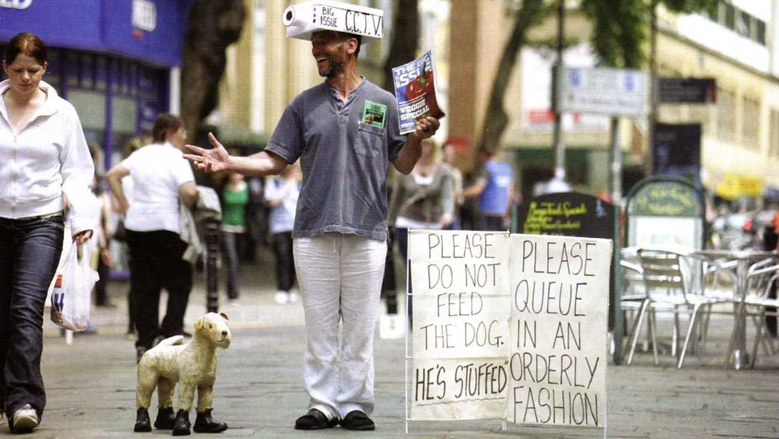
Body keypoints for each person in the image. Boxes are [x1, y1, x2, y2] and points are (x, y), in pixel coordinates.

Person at [184, 23, 440, 430]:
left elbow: (404, 163)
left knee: (359, 327)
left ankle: (354, 404)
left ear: (350, 46)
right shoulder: (304, 105)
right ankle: (322, 403)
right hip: (312, 231)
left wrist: (419, 138)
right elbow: (274, 159)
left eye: (323, 42)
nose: (315, 49)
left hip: (367, 230)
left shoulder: (385, 103)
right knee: (319, 326)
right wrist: (230, 162)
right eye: (313, 42)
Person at [0, 32, 95, 434]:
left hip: (42, 220)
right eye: (18, 70)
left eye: (33, 70)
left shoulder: (63, 113)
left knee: (24, 308)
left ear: (45, 69)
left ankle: (23, 400)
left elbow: (77, 170)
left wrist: (83, 218)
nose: (26, 78)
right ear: (6, 67)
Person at [106, 114, 199, 363]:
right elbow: (189, 191)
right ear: (170, 132)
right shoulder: (176, 157)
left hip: (137, 227)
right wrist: (192, 201)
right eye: (182, 131)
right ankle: (170, 336)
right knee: (180, 283)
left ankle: (144, 342)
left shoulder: (141, 154)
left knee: (145, 287)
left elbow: (112, 175)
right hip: (167, 226)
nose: (185, 136)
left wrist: (126, 205)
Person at [263, 164, 301, 304]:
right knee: (282, 258)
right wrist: (288, 184)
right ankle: (282, 288)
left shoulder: (299, 185)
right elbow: (272, 201)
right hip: (279, 227)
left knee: (294, 260)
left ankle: (290, 287)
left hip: (296, 227)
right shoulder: (274, 183)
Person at [462, 150, 514, 231]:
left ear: (483, 156)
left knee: (486, 239)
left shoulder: (487, 167)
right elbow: (510, 192)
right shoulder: (507, 168)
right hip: (501, 211)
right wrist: (506, 209)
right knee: (498, 239)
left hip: (486, 210)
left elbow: (478, 189)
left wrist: (459, 193)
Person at [220, 172, 249, 303]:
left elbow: (252, 209)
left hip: (242, 228)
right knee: (232, 260)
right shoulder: (223, 188)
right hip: (226, 226)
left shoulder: (248, 189)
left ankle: (233, 287)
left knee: (239, 261)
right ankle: (233, 293)